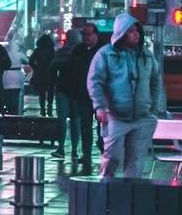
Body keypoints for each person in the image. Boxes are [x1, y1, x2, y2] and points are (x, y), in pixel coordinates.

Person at [87, 13, 165, 180]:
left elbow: (155, 81)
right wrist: (99, 107)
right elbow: (95, 82)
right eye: (130, 31)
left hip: (142, 117)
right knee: (112, 157)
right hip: (115, 116)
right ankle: (105, 190)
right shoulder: (105, 54)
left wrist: (154, 108)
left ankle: (130, 198)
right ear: (121, 34)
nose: (135, 33)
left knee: (135, 161)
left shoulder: (146, 55)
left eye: (137, 30)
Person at [60, 22, 102, 173]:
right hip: (82, 94)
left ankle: (102, 149)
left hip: (99, 95)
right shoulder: (78, 50)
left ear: (95, 35)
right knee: (85, 124)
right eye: (83, 34)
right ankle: (87, 153)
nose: (85, 37)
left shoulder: (102, 51)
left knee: (102, 126)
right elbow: (71, 69)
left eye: (88, 34)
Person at [51, 29, 82, 157]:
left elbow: (52, 70)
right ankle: (74, 150)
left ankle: (61, 148)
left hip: (62, 89)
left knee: (62, 120)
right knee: (76, 120)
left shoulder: (60, 53)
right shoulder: (81, 53)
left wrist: (57, 82)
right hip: (77, 90)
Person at [28, 33, 56, 117]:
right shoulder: (52, 51)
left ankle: (42, 109)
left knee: (42, 93)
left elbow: (31, 61)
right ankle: (49, 108)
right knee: (50, 91)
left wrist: (36, 67)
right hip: (51, 73)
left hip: (40, 74)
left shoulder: (38, 50)